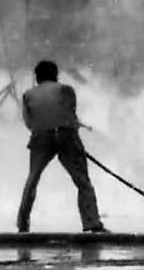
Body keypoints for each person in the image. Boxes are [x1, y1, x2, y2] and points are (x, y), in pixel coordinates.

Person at [16, 60, 106, 233]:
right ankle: (92, 223)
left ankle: (23, 224)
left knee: (32, 181)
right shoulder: (66, 90)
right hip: (66, 135)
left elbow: (29, 121)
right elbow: (70, 113)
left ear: (37, 77)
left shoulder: (28, 95)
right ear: (56, 75)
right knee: (82, 181)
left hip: (41, 137)